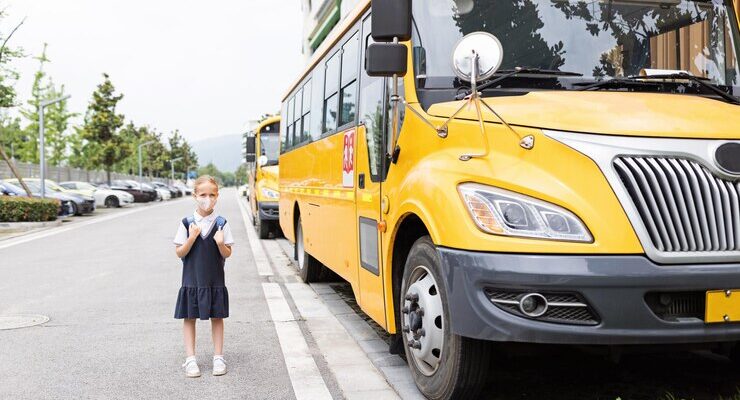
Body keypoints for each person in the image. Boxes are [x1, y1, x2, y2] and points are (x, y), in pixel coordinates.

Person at [173, 175, 234, 377]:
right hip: (192, 281)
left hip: (214, 281)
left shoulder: (221, 223)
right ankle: (191, 359)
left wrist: (220, 243)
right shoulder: (186, 223)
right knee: (189, 318)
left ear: (217, 196)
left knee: (217, 317)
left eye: (211, 194)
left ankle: (218, 357)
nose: (207, 198)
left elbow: (227, 253)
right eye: (203, 194)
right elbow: (180, 252)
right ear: (195, 196)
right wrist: (192, 238)